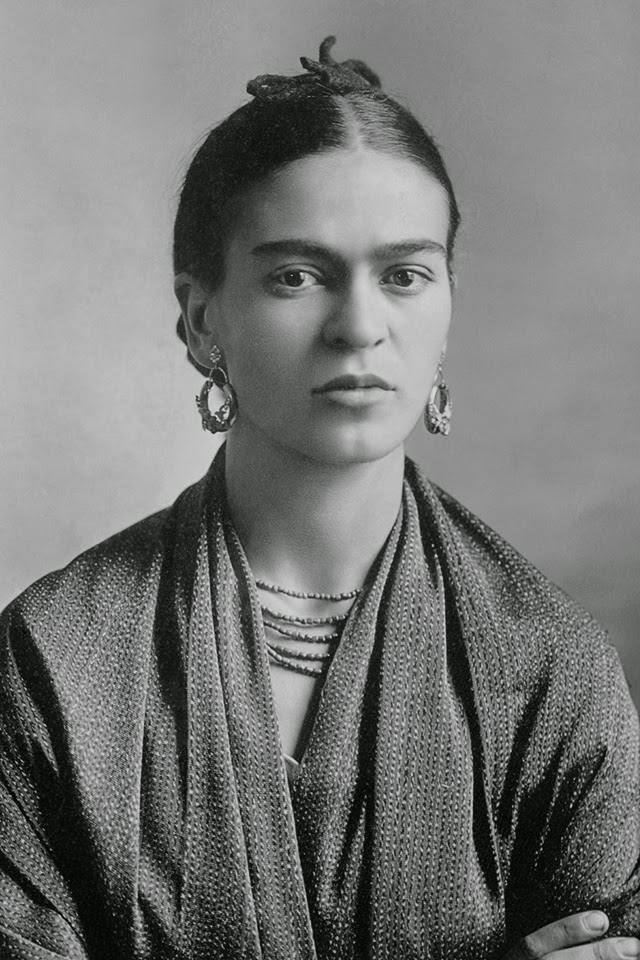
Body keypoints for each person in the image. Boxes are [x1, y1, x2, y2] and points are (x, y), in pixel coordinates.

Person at [0, 36, 638, 960]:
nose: (360, 327)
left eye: (404, 275)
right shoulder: (55, 660)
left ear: (448, 304)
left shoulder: (550, 668)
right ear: (202, 320)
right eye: (296, 276)